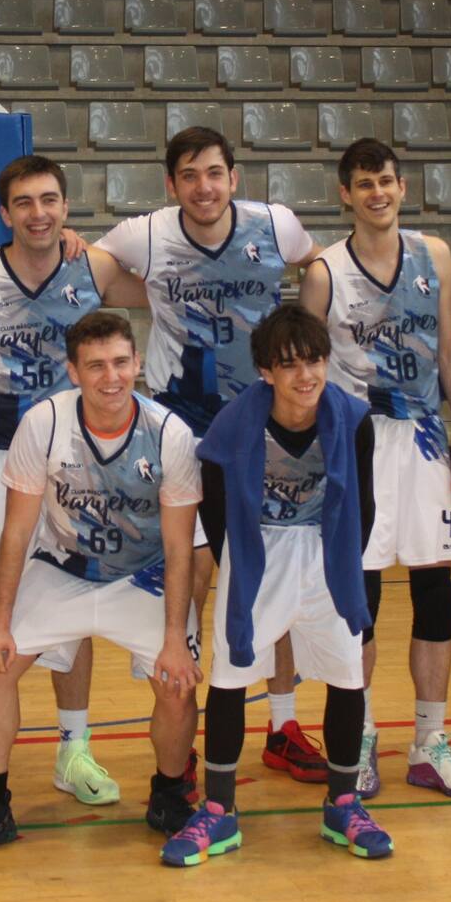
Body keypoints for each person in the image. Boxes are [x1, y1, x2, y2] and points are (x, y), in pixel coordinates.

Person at [96, 127, 328, 781]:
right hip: (184, 426)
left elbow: (323, 269)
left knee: (275, 567)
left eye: (216, 173)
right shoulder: (144, 234)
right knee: (193, 576)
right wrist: (158, 295)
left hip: (264, 423)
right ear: (172, 184)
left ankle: (283, 724)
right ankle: (186, 731)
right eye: (191, 175)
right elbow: (84, 272)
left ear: (234, 178)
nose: (204, 186)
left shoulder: (274, 226)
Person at [0, 155, 150, 813]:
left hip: (76, 465)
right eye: (24, 202)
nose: (39, 212)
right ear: (4, 213)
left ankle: (73, 749)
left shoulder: (94, 269)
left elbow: (170, 287)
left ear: (65, 206)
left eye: (49, 199)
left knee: (76, 599)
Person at [0, 312, 202, 861]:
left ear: (137, 362)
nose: (112, 377)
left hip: (143, 576)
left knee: (178, 683)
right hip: (62, 569)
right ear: (73, 371)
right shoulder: (44, 424)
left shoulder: (169, 434)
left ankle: (169, 796)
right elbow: (15, 532)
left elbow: (181, 549)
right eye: (97, 365)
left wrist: (177, 637)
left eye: (122, 363)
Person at [163, 305, 392, 867]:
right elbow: (215, 512)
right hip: (257, 551)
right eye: (289, 365)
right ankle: (219, 811)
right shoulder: (234, 425)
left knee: (344, 673)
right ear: (266, 371)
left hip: (327, 550)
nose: (305, 375)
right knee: (230, 678)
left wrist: (342, 563)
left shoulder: (352, 418)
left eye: (313, 361)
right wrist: (241, 565)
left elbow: (362, 503)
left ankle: (342, 803)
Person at [299, 138, 451, 800]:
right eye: (363, 184)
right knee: (365, 599)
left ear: (402, 187)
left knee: (436, 594)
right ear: (344, 195)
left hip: (428, 442)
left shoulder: (434, 255)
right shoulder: (325, 271)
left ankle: (430, 743)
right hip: (358, 442)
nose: (377, 193)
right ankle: (363, 734)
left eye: (386, 181)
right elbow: (304, 367)